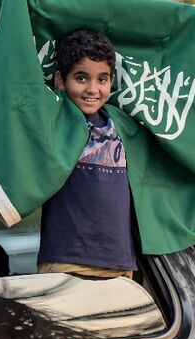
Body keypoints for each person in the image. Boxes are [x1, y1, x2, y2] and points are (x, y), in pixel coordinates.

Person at [36, 29, 137, 279]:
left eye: (102, 79)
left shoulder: (122, 126)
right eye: (81, 78)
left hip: (120, 266)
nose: (93, 89)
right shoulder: (52, 123)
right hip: (65, 265)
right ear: (61, 80)